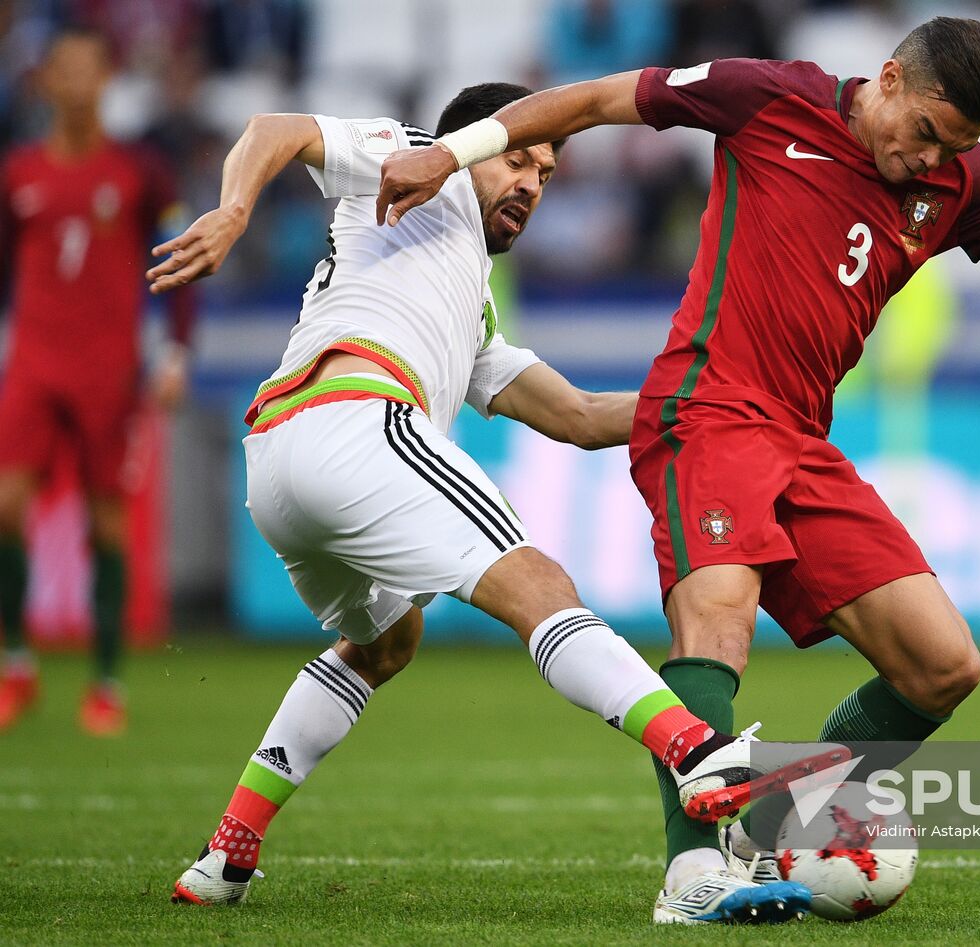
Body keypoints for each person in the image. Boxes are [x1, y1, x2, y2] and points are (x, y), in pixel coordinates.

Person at [375, 16, 980, 926]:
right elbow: (587, 101)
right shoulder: (764, 98)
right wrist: (453, 153)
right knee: (718, 620)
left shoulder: (964, 182)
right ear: (892, 79)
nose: (931, 161)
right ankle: (693, 876)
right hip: (709, 406)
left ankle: (785, 813)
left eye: (956, 147)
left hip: (803, 437)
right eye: (924, 134)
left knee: (942, 664)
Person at [147, 82, 841, 921]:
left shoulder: (467, 307)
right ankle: (700, 752)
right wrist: (232, 212)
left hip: (283, 465)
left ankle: (227, 852)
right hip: (359, 423)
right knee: (538, 584)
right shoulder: (412, 161)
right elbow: (274, 127)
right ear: (472, 143)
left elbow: (579, 416)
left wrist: (717, 406)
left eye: (546, 173)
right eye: (518, 157)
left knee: (384, 642)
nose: (532, 183)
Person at [0, 28, 195, 736]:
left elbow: (181, 263)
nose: (78, 84)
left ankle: (105, 683)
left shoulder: (141, 173)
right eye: (65, 72)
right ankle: (17, 665)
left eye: (89, 71)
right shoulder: (18, 173)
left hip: (108, 370)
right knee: (5, 505)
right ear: (46, 83)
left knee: (105, 519)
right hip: (32, 362)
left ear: (106, 80)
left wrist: (174, 351)